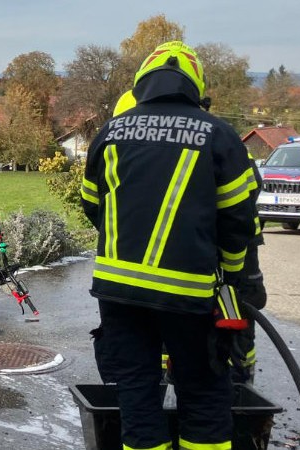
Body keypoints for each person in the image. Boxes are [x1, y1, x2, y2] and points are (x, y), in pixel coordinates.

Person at [81, 41, 257, 449]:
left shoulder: (110, 132)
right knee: (203, 391)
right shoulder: (219, 134)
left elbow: (93, 206)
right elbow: (237, 221)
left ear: (143, 82)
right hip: (188, 293)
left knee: (137, 394)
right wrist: (232, 275)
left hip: (118, 290)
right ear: (194, 85)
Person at [113, 90, 268, 385]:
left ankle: (238, 378)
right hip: (197, 243)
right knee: (173, 311)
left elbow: (242, 204)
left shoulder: (216, 141)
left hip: (233, 242)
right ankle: (177, 373)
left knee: (237, 305)